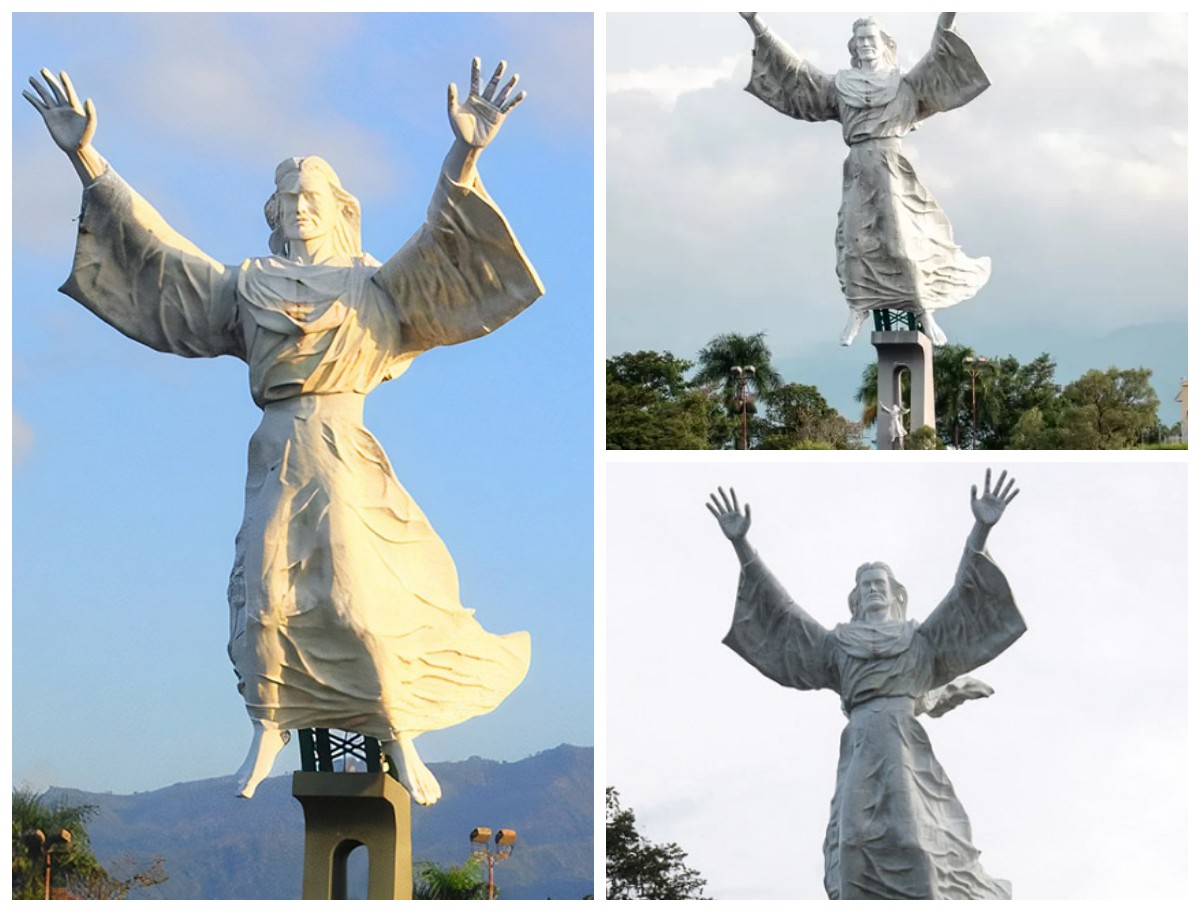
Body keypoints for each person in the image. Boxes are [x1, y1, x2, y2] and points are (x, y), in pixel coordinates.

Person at [24, 59, 543, 805]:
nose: (300, 207)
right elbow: (159, 255)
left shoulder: (375, 287)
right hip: (277, 453)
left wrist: (465, 154)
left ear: (336, 207)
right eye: (289, 196)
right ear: (274, 209)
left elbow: (443, 240)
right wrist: (85, 158)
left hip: (341, 457)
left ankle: (401, 736)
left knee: (361, 604)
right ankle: (266, 731)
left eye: (312, 196)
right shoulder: (247, 285)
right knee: (266, 601)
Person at [707, 470, 1024, 899]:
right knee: (853, 843)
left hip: (902, 742)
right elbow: (782, 612)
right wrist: (742, 546)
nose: (873, 589)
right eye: (865, 586)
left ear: (895, 594)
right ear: (855, 598)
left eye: (880, 584)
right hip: (861, 741)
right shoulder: (837, 645)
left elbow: (965, 592)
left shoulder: (921, 639)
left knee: (914, 840)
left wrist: (981, 528)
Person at [738, 12, 991, 347]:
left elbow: (940, 54)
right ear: (853, 48)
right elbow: (796, 72)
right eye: (860, 41)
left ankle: (924, 310)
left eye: (871, 39)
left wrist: (948, 16)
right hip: (858, 167)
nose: (866, 45)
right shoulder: (841, 86)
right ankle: (857, 309)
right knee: (854, 245)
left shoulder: (905, 84)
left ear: (884, 44)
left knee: (902, 245)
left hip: (890, 168)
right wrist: (757, 23)